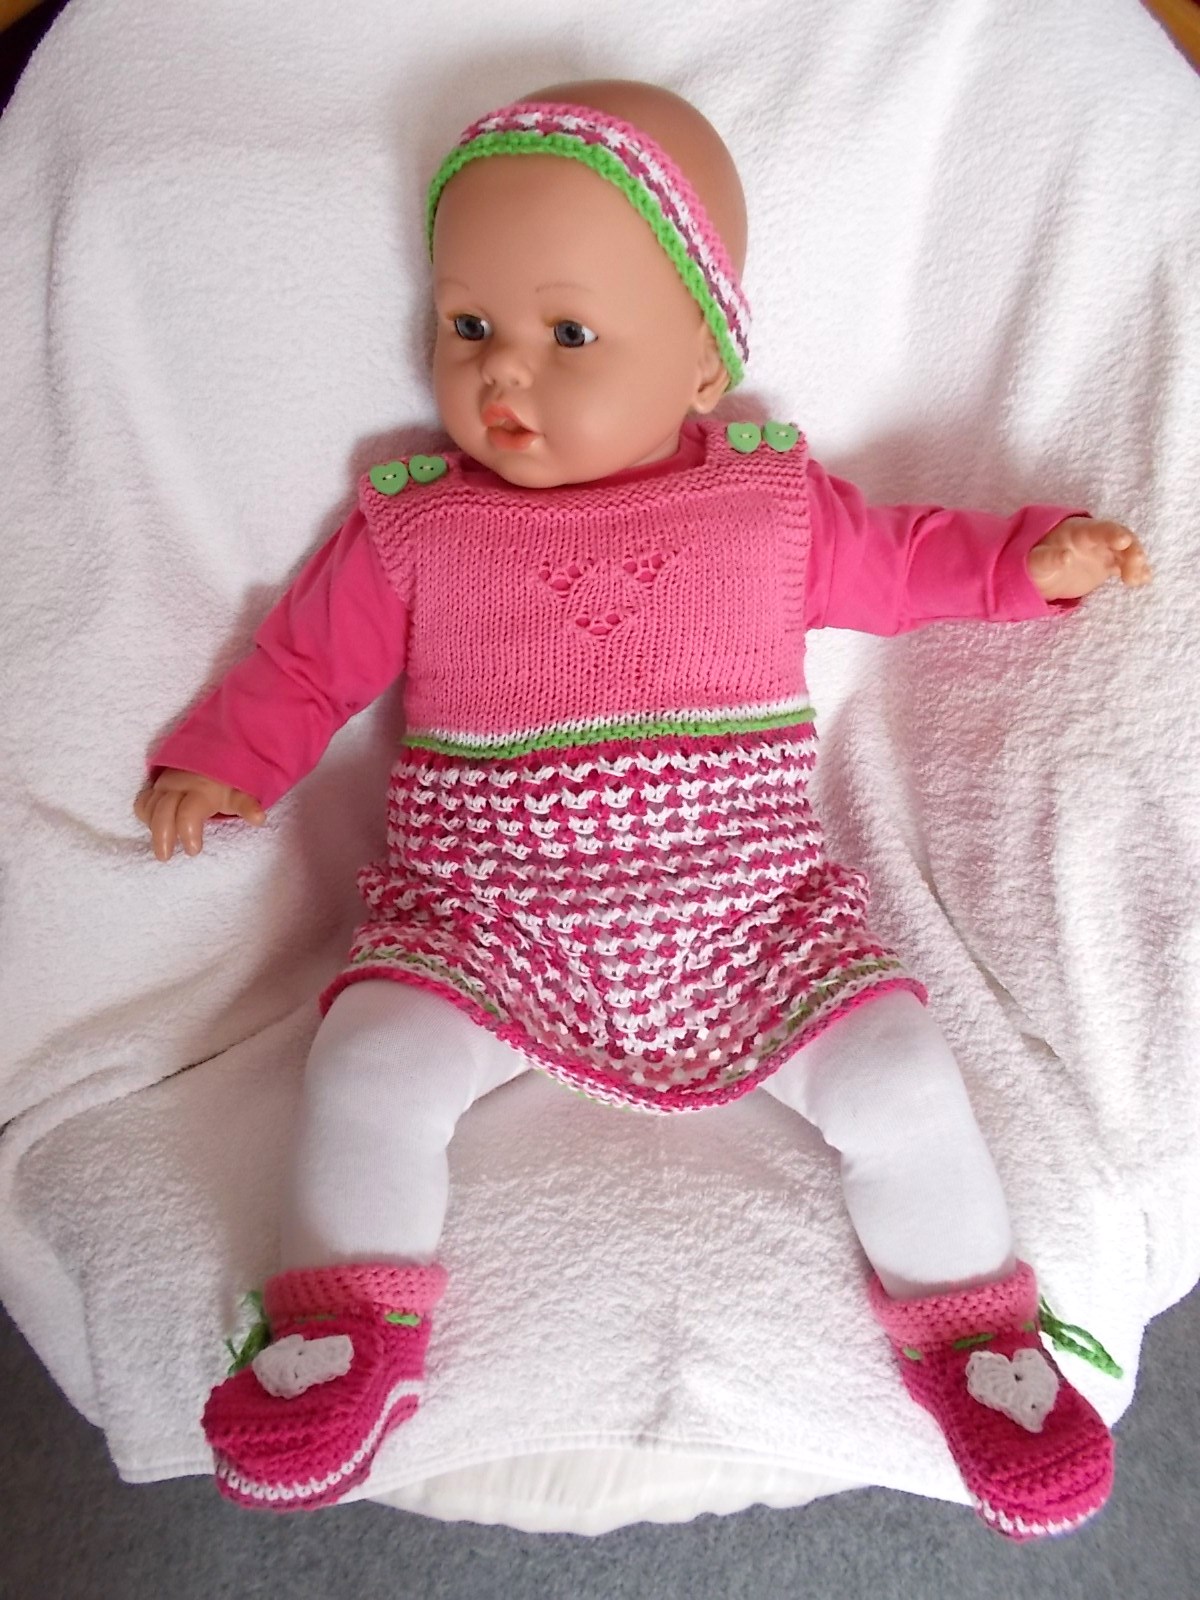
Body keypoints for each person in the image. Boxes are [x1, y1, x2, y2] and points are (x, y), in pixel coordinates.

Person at [135, 79, 1151, 1536]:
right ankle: (342, 1329)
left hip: (752, 924)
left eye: (569, 335)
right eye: (468, 325)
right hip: (485, 927)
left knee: (900, 1078)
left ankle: (976, 1334)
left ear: (703, 364)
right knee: (368, 1063)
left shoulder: (771, 506)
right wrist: (226, 757)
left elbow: (908, 562)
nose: (504, 374)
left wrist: (1026, 563)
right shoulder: (415, 527)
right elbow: (306, 662)